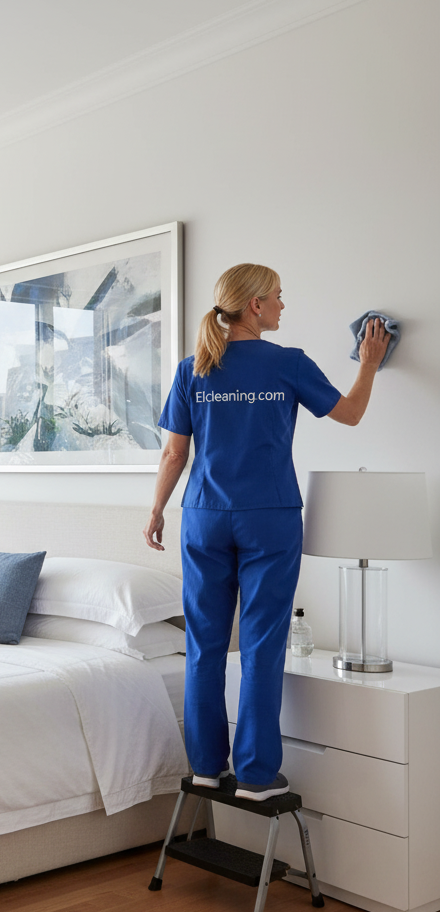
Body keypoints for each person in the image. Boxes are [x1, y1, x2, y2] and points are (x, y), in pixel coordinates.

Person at [142, 263, 390, 801]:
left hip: (203, 516)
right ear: (254, 305)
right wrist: (369, 363)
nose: (282, 305)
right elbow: (348, 414)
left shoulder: (193, 369)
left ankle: (207, 767)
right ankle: (255, 775)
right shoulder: (287, 365)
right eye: (278, 297)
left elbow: (173, 453)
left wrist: (157, 509)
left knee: (205, 646)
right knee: (260, 645)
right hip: (268, 518)